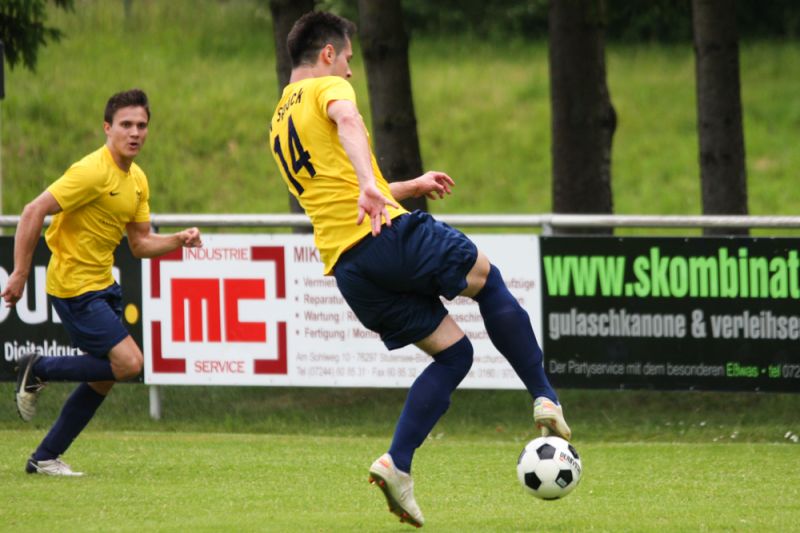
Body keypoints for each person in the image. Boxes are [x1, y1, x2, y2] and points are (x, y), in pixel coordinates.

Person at [270, 12, 570, 528]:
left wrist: (405, 186)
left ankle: (397, 463)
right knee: (488, 280)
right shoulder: (326, 89)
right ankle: (545, 395)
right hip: (385, 237)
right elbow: (348, 123)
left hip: (350, 269)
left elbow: (339, 189)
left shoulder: (278, 122)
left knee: (454, 354)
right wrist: (372, 186)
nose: (349, 71)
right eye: (347, 59)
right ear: (327, 54)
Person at [1, 89, 202, 476]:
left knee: (104, 377)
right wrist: (20, 272)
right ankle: (38, 367)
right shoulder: (91, 171)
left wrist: (179, 240)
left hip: (103, 284)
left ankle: (45, 457)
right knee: (129, 363)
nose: (135, 132)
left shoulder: (137, 179)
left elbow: (139, 244)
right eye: (126, 124)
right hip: (74, 285)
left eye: (141, 125)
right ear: (107, 128)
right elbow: (32, 211)